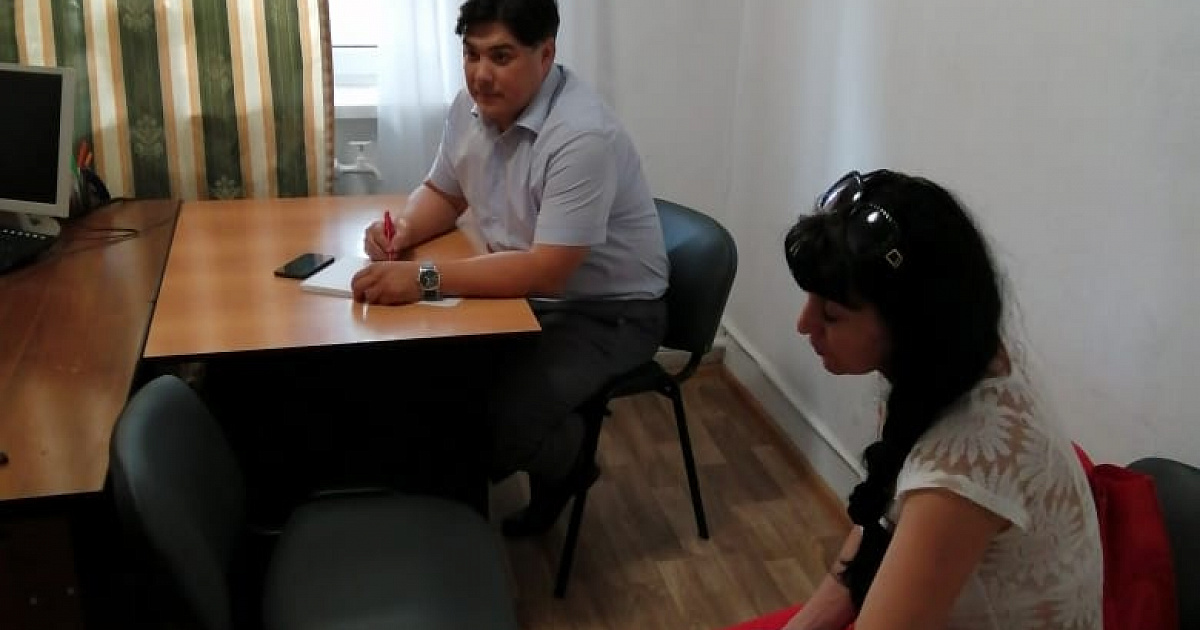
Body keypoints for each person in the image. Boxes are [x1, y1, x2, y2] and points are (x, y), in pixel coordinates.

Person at [351, 0, 668, 536]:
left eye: (501, 57)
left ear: (545, 55)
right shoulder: (469, 108)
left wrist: (423, 280)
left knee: (498, 424)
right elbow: (443, 192)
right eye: (471, 54)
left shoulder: (581, 137)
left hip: (607, 311)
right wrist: (401, 231)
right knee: (430, 379)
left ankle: (571, 463)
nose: (480, 75)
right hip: (525, 291)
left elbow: (547, 272)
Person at [778, 170, 1103, 629]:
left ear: (910, 324)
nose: (803, 324)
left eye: (830, 314)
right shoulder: (956, 365)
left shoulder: (959, 474)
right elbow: (880, 528)